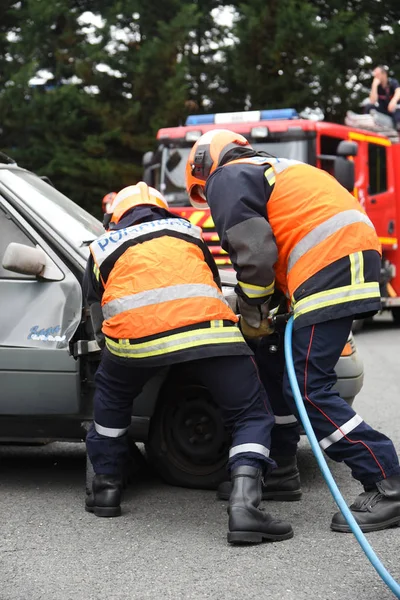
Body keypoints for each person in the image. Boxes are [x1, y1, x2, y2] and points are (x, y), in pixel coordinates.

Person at [185, 130, 400, 533]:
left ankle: (389, 481)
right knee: (281, 372)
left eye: (202, 191)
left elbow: (256, 254)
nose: (207, 200)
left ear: (204, 167)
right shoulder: (272, 170)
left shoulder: (229, 176)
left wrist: (250, 311)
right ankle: (280, 471)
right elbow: (281, 243)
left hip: (329, 266)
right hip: (338, 260)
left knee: (308, 390)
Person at [83, 181, 294, 545]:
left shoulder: (102, 246)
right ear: (163, 211)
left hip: (132, 341)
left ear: (115, 216)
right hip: (208, 334)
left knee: (112, 397)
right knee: (251, 415)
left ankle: (106, 489)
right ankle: (245, 508)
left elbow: (94, 314)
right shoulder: (189, 232)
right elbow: (208, 284)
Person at [364, 65, 400, 130]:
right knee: (368, 107)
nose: (376, 77)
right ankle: (365, 126)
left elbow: (398, 91)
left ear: (384, 74)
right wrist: (374, 85)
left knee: (397, 115)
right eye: (375, 75)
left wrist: (393, 101)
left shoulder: (392, 82)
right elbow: (372, 101)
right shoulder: (377, 86)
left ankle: (397, 132)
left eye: (378, 74)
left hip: (395, 109)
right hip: (384, 109)